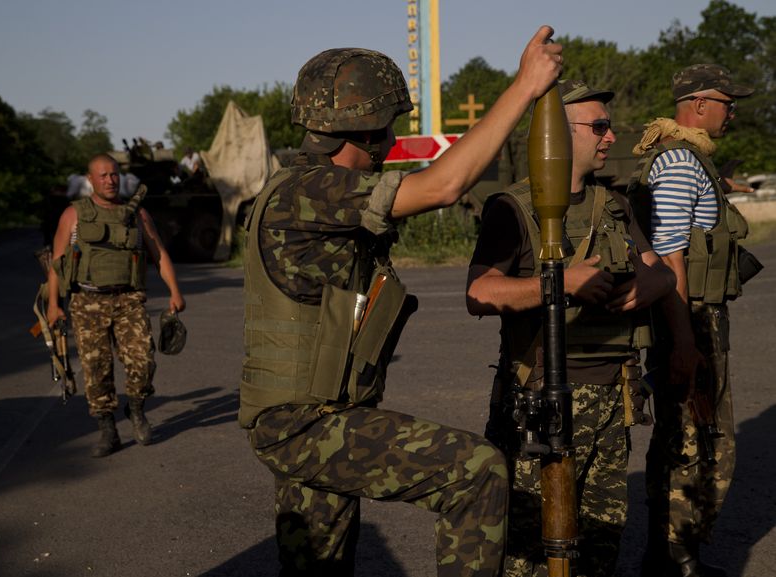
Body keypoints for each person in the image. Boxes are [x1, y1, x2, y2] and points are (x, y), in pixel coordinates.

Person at [240, 26, 562, 577]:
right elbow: (442, 187)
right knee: (477, 471)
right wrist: (524, 88)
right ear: (364, 129)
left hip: (322, 413)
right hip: (302, 422)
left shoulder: (320, 194)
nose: (391, 142)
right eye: (388, 126)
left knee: (318, 563)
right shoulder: (311, 190)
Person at [466, 79, 675, 577]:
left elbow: (659, 269)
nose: (610, 137)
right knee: (529, 554)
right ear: (557, 134)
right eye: (599, 126)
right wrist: (561, 283)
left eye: (610, 126)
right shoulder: (513, 207)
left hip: (611, 401)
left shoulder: (614, 205)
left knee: (600, 546)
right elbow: (479, 293)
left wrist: (650, 286)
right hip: (542, 405)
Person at [627, 64, 754, 577]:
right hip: (689, 316)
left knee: (693, 436)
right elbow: (672, 256)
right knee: (694, 440)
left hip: (695, 316)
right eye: (727, 102)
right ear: (699, 104)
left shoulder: (686, 158)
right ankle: (674, 561)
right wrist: (683, 341)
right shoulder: (680, 161)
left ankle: (674, 555)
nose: (732, 113)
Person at [46, 153, 186, 458]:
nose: (110, 180)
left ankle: (135, 408)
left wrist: (174, 291)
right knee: (96, 370)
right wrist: (53, 305)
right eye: (103, 176)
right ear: (90, 180)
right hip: (87, 302)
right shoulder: (73, 215)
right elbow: (56, 263)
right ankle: (107, 429)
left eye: (113, 175)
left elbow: (159, 254)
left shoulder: (137, 214)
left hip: (129, 300)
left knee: (143, 361)